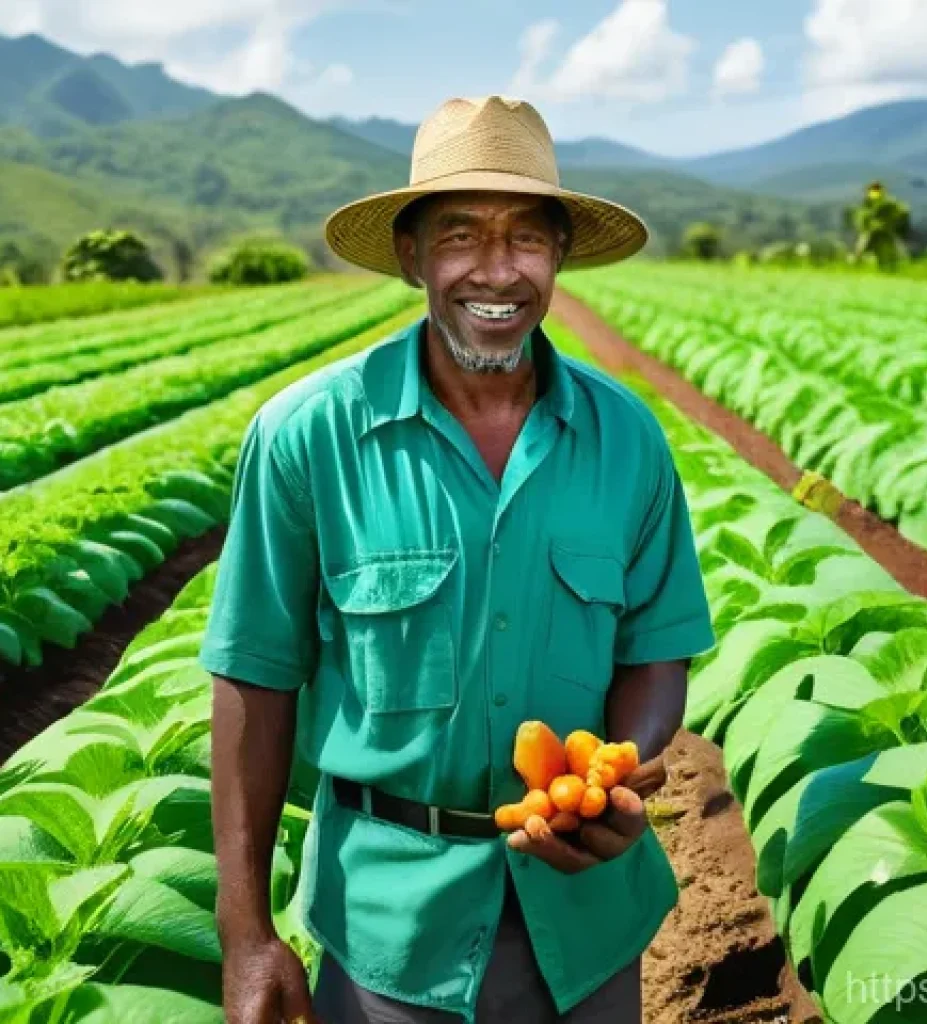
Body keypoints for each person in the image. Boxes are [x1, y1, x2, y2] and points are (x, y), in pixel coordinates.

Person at [200, 94, 715, 1024]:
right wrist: (246, 934)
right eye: (460, 235)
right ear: (410, 256)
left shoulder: (629, 440)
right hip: (392, 925)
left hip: (589, 918)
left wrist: (615, 767)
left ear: (559, 256)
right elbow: (255, 681)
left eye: (526, 237)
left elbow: (655, 650)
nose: (496, 270)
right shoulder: (307, 437)